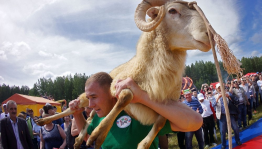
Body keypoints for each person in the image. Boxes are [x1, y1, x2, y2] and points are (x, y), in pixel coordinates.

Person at [69, 72, 203, 149]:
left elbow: (195, 121)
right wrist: (77, 114)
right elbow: (87, 137)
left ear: (111, 93)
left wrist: (143, 97)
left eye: (94, 97)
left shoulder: (138, 112)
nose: (90, 104)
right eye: (88, 98)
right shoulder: (99, 117)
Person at [215, 83, 242, 149]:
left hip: (230, 114)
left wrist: (229, 97)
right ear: (217, 89)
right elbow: (213, 105)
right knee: (222, 131)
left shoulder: (228, 93)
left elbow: (236, 101)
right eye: (218, 88)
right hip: (222, 116)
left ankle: (237, 140)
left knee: (236, 128)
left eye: (221, 87)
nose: (220, 89)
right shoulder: (215, 96)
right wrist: (218, 98)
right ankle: (223, 145)